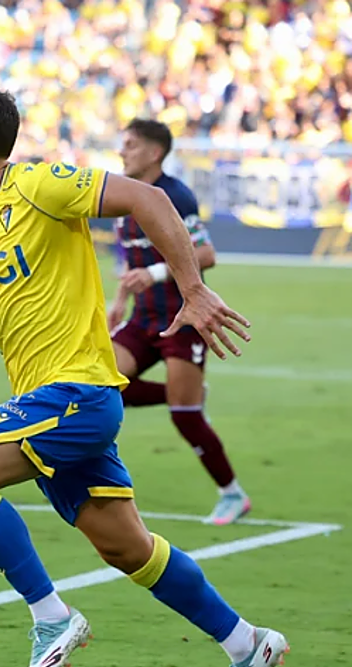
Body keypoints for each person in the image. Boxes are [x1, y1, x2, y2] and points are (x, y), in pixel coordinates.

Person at [0, 82, 284, 667]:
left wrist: (192, 289)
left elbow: (148, 198)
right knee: (127, 549)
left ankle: (51, 617)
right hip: (44, 402)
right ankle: (248, 644)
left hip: (78, 391)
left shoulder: (40, 186)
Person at [109, 119, 250, 526]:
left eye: (131, 145)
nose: (122, 151)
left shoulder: (175, 196)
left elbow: (205, 254)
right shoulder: (121, 197)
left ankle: (232, 494)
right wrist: (119, 300)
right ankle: (181, 393)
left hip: (182, 317)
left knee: (185, 415)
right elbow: (132, 262)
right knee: (101, 385)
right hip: (141, 318)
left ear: (155, 153)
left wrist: (154, 274)